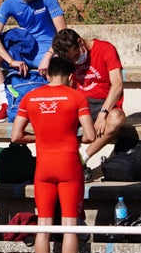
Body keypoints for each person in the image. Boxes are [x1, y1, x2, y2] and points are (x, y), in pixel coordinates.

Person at [10, 58, 95, 253]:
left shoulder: (30, 97)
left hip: (44, 165)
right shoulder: (77, 97)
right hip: (68, 164)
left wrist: (39, 137)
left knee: (43, 226)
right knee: (69, 226)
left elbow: (16, 135)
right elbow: (90, 135)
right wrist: (71, 138)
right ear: (69, 76)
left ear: (48, 75)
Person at [0, 0, 67, 122]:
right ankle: (6, 104)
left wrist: (49, 55)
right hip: (26, 50)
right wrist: (11, 61)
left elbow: (62, 31)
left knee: (63, 62)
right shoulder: (10, 3)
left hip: (50, 50)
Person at [51, 28, 126, 168]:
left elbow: (117, 85)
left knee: (116, 118)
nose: (75, 60)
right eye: (71, 59)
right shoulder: (67, 57)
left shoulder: (105, 49)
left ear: (80, 42)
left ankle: (82, 158)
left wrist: (103, 114)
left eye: (75, 56)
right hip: (79, 102)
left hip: (103, 104)